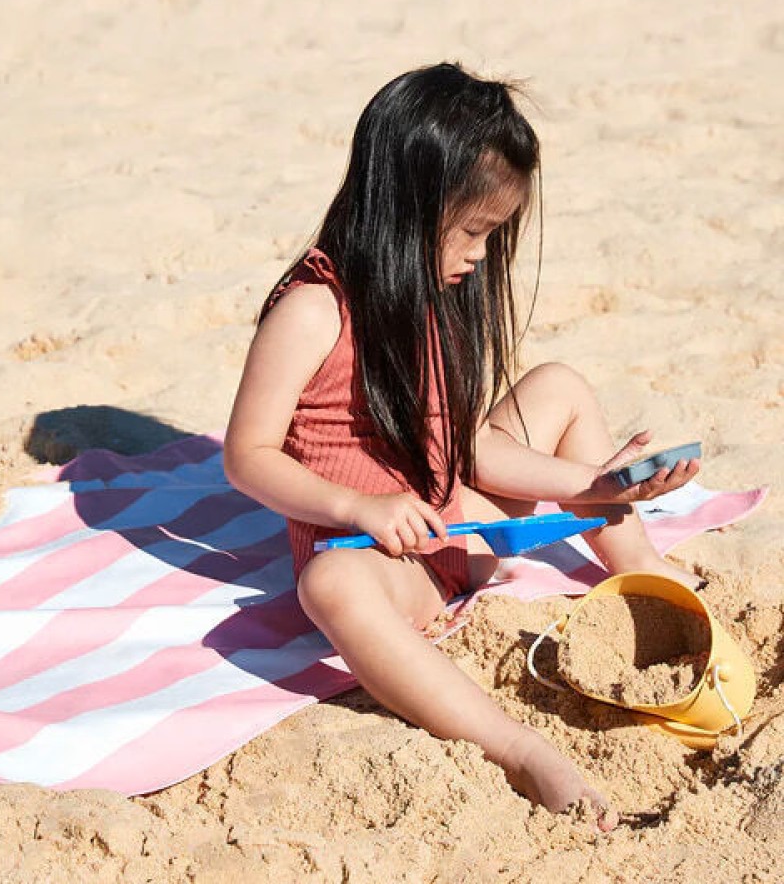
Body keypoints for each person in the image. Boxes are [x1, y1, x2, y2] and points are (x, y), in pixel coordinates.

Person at [222, 62, 701, 827]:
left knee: (562, 385)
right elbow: (246, 456)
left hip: (457, 512)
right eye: (474, 230)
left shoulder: (434, 295)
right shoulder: (315, 310)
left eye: (493, 233)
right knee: (327, 588)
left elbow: (466, 446)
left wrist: (594, 484)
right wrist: (358, 505)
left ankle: (643, 571)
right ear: (407, 204)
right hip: (385, 554)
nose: (481, 254)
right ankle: (518, 751)